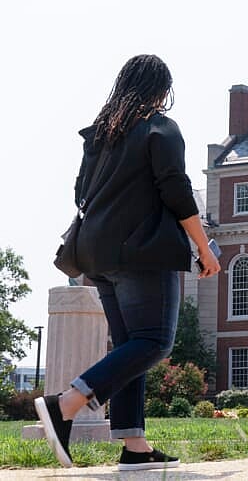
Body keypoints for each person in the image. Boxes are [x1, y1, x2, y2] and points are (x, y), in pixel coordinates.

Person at [35, 54, 221, 470]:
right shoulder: (161, 127)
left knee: (130, 348)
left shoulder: (99, 138)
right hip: (143, 250)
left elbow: (80, 193)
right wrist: (203, 247)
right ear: (162, 92)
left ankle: (134, 446)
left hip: (96, 254)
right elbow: (175, 189)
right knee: (154, 341)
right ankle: (66, 403)